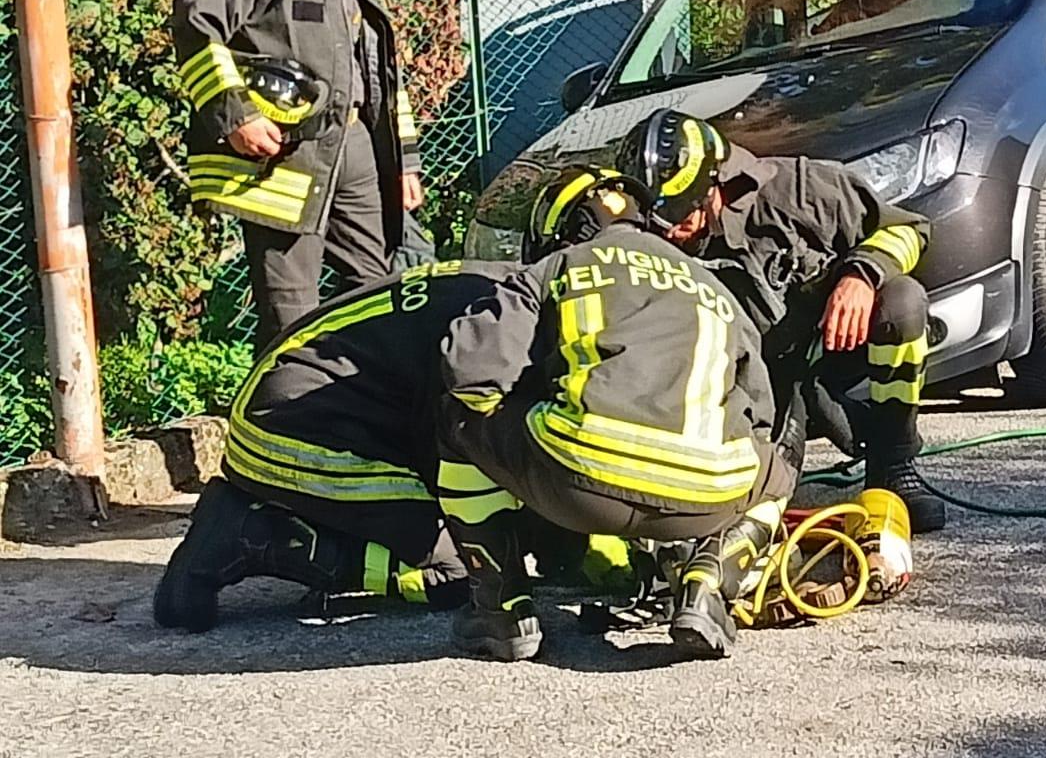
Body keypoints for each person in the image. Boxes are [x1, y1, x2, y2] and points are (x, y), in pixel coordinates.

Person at [154, 169, 795, 662]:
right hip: (293, 420)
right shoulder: (569, 291)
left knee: (500, 490)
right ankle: (248, 538)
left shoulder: (546, 284)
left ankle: (492, 597)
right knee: (451, 570)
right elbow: (467, 395)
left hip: (358, 413)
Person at [617, 109, 945, 534]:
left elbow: (910, 229)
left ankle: (893, 466)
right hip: (755, 381)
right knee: (755, 509)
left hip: (832, 349)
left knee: (902, 302)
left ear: (715, 186)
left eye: (683, 218)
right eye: (658, 224)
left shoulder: (801, 190)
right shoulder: (641, 234)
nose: (672, 234)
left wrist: (861, 275)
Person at [170, 0, 424, 350]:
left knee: (379, 295)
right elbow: (197, 27)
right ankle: (284, 422)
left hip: (355, 151)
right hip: (284, 157)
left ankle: (362, 415)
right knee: (291, 315)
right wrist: (236, 113)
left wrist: (403, 161)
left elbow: (377, 64)